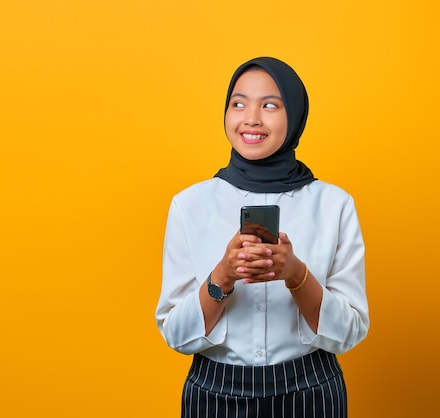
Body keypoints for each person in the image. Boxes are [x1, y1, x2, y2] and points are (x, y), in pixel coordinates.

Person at [155, 57, 369, 418]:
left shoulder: (335, 205)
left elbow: (349, 332)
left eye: (270, 105)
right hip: (215, 394)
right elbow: (176, 335)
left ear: (296, 115)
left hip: (311, 391)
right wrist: (222, 276)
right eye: (238, 104)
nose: (251, 118)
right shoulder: (189, 205)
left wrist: (296, 275)